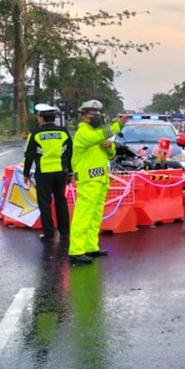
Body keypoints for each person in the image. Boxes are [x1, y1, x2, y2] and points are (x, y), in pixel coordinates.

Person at [68, 100, 129, 265]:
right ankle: (76, 250)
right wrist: (118, 125)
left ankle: (90, 246)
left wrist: (109, 146)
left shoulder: (97, 134)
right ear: (83, 116)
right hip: (88, 181)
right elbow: (95, 138)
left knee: (95, 216)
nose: (96, 117)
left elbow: (110, 155)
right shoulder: (83, 133)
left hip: (100, 181)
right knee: (83, 216)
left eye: (98, 114)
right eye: (92, 114)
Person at [23, 104, 73, 245]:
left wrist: (26, 173)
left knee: (44, 203)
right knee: (60, 201)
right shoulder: (63, 132)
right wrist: (69, 172)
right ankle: (64, 232)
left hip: (44, 173)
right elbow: (69, 154)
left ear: (41, 118)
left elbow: (29, 155)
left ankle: (49, 233)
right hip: (60, 172)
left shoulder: (35, 133)